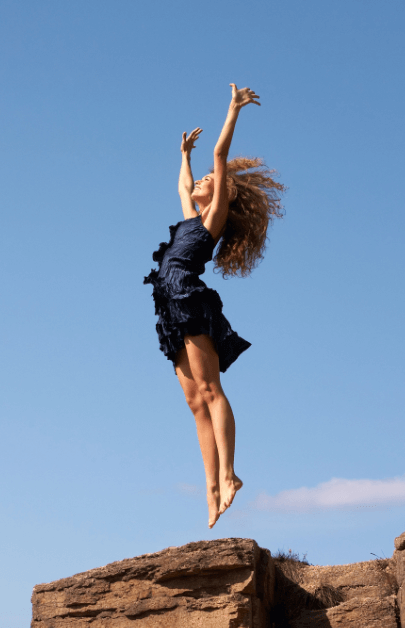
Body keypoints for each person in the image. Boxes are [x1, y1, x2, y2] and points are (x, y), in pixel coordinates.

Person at [143, 84, 285, 528]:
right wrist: (184, 156)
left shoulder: (213, 218)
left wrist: (232, 111)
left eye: (208, 180)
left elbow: (221, 160)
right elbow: (185, 184)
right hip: (168, 307)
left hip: (189, 299)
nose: (203, 181)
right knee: (193, 403)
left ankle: (229, 473)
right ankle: (209, 488)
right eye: (201, 180)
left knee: (210, 391)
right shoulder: (190, 217)